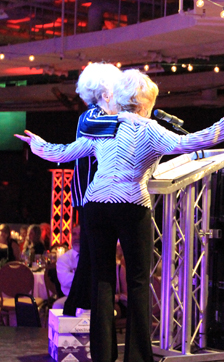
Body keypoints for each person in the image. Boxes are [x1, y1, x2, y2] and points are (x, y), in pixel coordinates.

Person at [16, 68, 224, 362]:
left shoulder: (104, 125)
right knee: (136, 281)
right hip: (131, 204)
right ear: (145, 101)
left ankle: (103, 358)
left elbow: (66, 153)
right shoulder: (149, 128)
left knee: (102, 280)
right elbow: (189, 143)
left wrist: (37, 144)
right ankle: (136, 358)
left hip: (95, 204)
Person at [63, 62, 124, 317]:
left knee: (92, 255)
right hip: (94, 194)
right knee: (94, 256)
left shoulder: (93, 114)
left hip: (93, 193)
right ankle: (81, 308)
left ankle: (78, 307)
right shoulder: (94, 116)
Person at [53, 224, 81, 308]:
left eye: (80, 234)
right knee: (58, 306)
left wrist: (76, 275)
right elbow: (65, 281)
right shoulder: (64, 259)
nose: (77, 237)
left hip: (93, 296)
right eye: (74, 234)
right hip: (72, 297)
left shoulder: (93, 256)